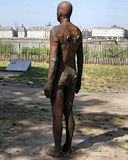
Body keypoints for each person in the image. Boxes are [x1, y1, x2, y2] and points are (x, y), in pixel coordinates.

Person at [44, 1, 83, 157]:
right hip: (72, 76)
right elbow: (80, 58)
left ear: (60, 13)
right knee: (69, 112)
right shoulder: (77, 31)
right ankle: (68, 146)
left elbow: (53, 60)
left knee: (57, 114)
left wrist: (49, 83)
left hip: (60, 79)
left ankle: (57, 150)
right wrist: (79, 79)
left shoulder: (56, 31)